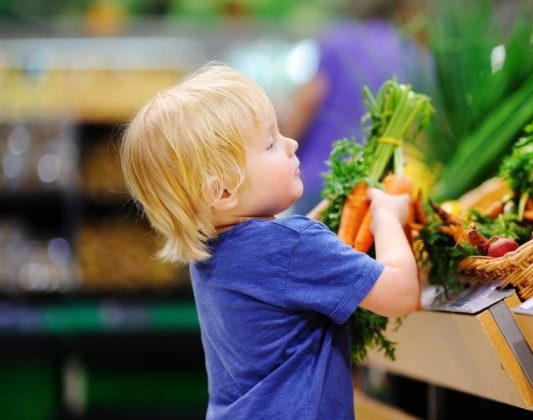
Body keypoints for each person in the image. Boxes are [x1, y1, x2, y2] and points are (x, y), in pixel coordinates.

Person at [119, 63, 419, 419]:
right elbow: (400, 294)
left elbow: (278, 272)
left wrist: (312, 228)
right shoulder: (294, 246)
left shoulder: (211, 253)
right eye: (272, 142)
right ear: (224, 190)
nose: (292, 144)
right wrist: (387, 217)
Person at [282, 0, 429, 214]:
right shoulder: (413, 52)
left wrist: (281, 146)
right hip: (380, 187)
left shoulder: (339, 39)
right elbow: (419, 131)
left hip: (321, 176)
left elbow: (308, 102)